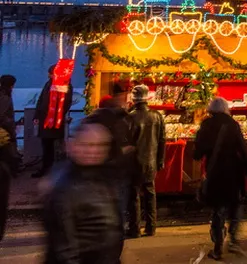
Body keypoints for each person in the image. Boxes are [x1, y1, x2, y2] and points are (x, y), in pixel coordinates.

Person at [42, 122, 123, 263]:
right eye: (86, 144)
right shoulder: (65, 187)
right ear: (70, 146)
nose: (94, 151)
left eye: (101, 145)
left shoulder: (105, 177)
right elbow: (64, 250)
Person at [194, 97, 247, 260]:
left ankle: (218, 246)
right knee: (235, 206)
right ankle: (234, 240)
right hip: (234, 172)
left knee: (218, 210)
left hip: (215, 172)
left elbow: (198, 151)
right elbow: (243, 150)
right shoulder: (233, 125)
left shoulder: (206, 125)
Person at [83, 83, 134, 237]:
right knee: (116, 210)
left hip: (99, 174)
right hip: (117, 173)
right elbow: (127, 148)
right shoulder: (123, 120)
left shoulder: (91, 121)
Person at [127, 85, 165, 238]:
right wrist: (160, 160)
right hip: (151, 161)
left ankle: (134, 228)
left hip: (134, 162)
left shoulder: (129, 117)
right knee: (150, 193)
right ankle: (151, 227)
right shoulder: (157, 116)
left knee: (134, 195)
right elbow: (162, 140)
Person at [33, 65, 73, 178]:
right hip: (45, 119)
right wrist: (37, 115)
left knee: (54, 146)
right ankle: (47, 168)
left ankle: (52, 170)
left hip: (54, 121)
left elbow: (66, 103)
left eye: (50, 73)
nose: (49, 75)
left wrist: (57, 115)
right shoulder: (49, 83)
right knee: (47, 145)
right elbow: (41, 100)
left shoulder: (64, 84)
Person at [0, 75, 20, 242]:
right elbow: (3, 116)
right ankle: (15, 171)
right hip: (5, 134)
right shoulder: (5, 97)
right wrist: (10, 127)